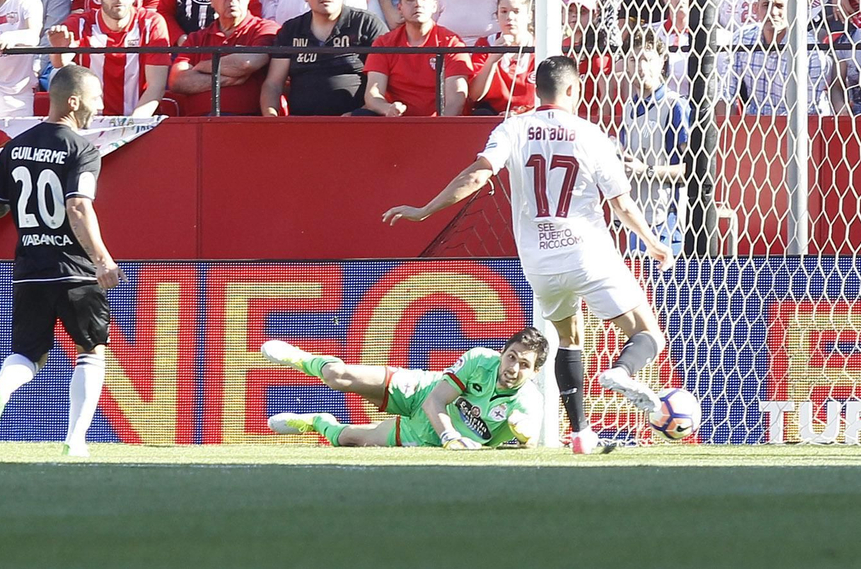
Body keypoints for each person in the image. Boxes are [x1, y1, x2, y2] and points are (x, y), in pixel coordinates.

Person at [384, 56, 678, 454]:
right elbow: (621, 203)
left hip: (539, 263)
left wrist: (423, 211)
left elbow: (476, 175)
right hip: (586, 252)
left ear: (536, 90)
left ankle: (580, 435)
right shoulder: (591, 134)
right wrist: (651, 240)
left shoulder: (513, 127)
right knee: (649, 335)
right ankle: (622, 371)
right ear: (574, 90)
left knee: (568, 339)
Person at [0, 65, 118, 457]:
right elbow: (78, 205)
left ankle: (1, 388)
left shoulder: (15, 146)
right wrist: (102, 260)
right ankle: (75, 441)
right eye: (94, 97)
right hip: (73, 269)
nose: (99, 105)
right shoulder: (82, 149)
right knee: (92, 351)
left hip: (28, 269)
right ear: (73, 101)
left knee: (27, 353)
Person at [264, 328, 547, 449]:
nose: (513, 367)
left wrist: (524, 437)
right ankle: (300, 358)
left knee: (348, 439)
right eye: (511, 357)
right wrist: (450, 436)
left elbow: (528, 444)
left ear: (535, 372)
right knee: (341, 376)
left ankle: (317, 421)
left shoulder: (529, 403)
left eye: (524, 364)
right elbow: (434, 400)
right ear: (502, 352)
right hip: (422, 394)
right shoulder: (479, 359)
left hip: (428, 437)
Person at [46, 0, 171, 118]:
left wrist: (131, 125)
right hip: (91, 123)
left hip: (139, 123)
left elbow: (156, 86)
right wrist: (59, 50)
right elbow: (60, 63)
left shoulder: (151, 23)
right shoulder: (80, 23)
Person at [261, 0, 388, 116]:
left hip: (355, 123)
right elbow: (273, 83)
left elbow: (385, 78)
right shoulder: (291, 29)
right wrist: (271, 118)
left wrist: (360, 113)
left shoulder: (366, 24)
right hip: (302, 126)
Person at [618, 27, 690, 254]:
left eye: (647, 59)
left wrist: (647, 170)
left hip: (666, 219)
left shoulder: (675, 105)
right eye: (633, 59)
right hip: (635, 218)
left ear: (662, 62)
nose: (640, 66)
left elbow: (693, 170)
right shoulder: (629, 107)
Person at [167, 0, 278, 116]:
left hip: (248, 123)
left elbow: (247, 63)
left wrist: (201, 67)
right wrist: (228, 77)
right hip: (198, 125)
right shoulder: (196, 38)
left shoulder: (265, 28)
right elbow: (177, 81)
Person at [722, 0, 832, 115]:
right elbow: (725, 93)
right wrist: (730, 131)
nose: (772, 12)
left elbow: (806, 108)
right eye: (766, 5)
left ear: (793, 9)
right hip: (755, 124)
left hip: (804, 127)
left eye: (779, 6)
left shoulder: (810, 51)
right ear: (755, 9)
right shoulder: (741, 39)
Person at [362, 0, 469, 117]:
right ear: (400, 8)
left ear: (434, 6)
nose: (418, 4)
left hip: (441, 126)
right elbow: (372, 95)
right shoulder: (383, 44)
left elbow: (456, 100)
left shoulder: (452, 43)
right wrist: (387, 109)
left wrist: (437, 129)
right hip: (397, 123)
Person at [467, 0, 535, 115]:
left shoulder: (541, 47)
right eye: (503, 11)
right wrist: (493, 59)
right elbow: (475, 95)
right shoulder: (485, 44)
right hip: (492, 116)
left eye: (516, 11)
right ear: (497, 15)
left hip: (530, 118)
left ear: (529, 16)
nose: (509, 17)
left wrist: (521, 115)